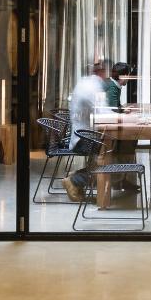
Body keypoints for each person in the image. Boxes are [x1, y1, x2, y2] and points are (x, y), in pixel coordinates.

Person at [62, 62, 108, 201]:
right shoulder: (93, 87)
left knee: (109, 152)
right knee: (111, 155)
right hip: (84, 140)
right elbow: (102, 112)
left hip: (81, 136)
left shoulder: (85, 83)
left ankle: (78, 177)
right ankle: (75, 179)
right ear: (101, 73)